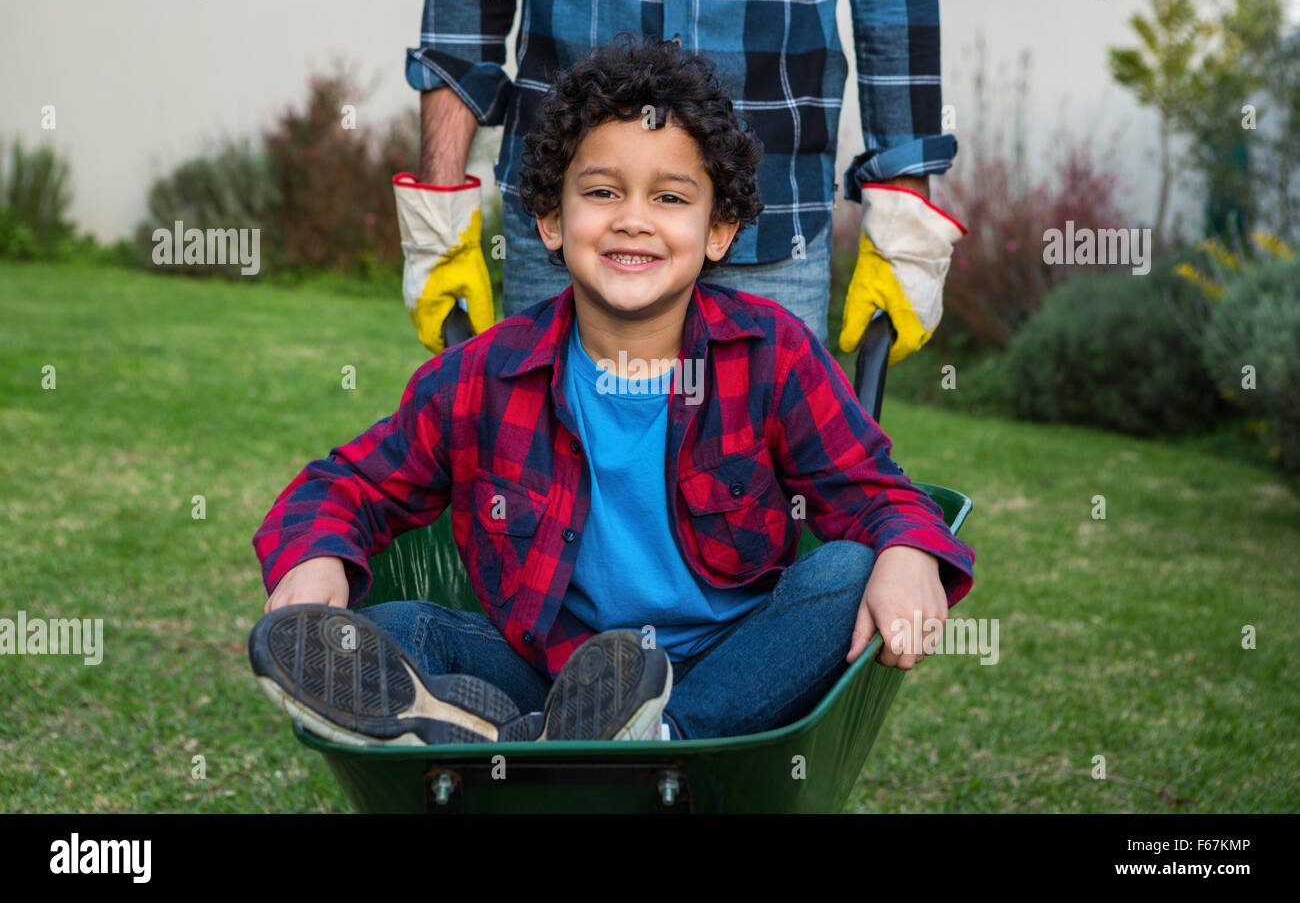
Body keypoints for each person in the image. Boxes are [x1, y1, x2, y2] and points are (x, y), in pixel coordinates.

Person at [249, 38, 975, 745]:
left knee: (849, 570)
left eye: (669, 196)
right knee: (398, 629)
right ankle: (534, 733)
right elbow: (346, 484)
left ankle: (657, 737)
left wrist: (908, 552)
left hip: (732, 674)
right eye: (601, 192)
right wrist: (315, 555)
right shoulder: (483, 376)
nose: (633, 218)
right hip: (558, 680)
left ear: (718, 228)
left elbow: (879, 494)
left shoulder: (769, 355)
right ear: (552, 220)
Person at [394, 0, 966, 366]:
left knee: (757, 504)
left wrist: (904, 218)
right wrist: (438, 219)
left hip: (772, 223)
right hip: (567, 222)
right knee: (545, 486)